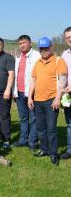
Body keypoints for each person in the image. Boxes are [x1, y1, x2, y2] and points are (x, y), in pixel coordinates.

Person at [28, 37, 67, 165]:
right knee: (40, 128)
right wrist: (30, 97)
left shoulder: (58, 61)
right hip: (38, 101)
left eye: (46, 48)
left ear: (51, 47)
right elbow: (33, 80)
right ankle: (44, 149)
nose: (43, 50)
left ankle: (53, 153)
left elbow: (63, 81)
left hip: (51, 100)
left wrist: (57, 98)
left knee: (51, 129)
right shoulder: (38, 63)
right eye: (41, 48)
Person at [13, 35, 41, 151]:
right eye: (20, 43)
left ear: (30, 43)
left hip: (32, 93)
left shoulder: (37, 56)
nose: (22, 45)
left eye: (24, 42)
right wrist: (14, 91)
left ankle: (32, 141)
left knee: (33, 118)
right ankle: (23, 139)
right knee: (23, 118)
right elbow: (16, 75)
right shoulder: (18, 57)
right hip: (19, 92)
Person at [61, 27, 71, 159]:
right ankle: (70, 149)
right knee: (69, 123)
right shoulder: (64, 54)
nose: (70, 39)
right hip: (68, 94)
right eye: (68, 37)